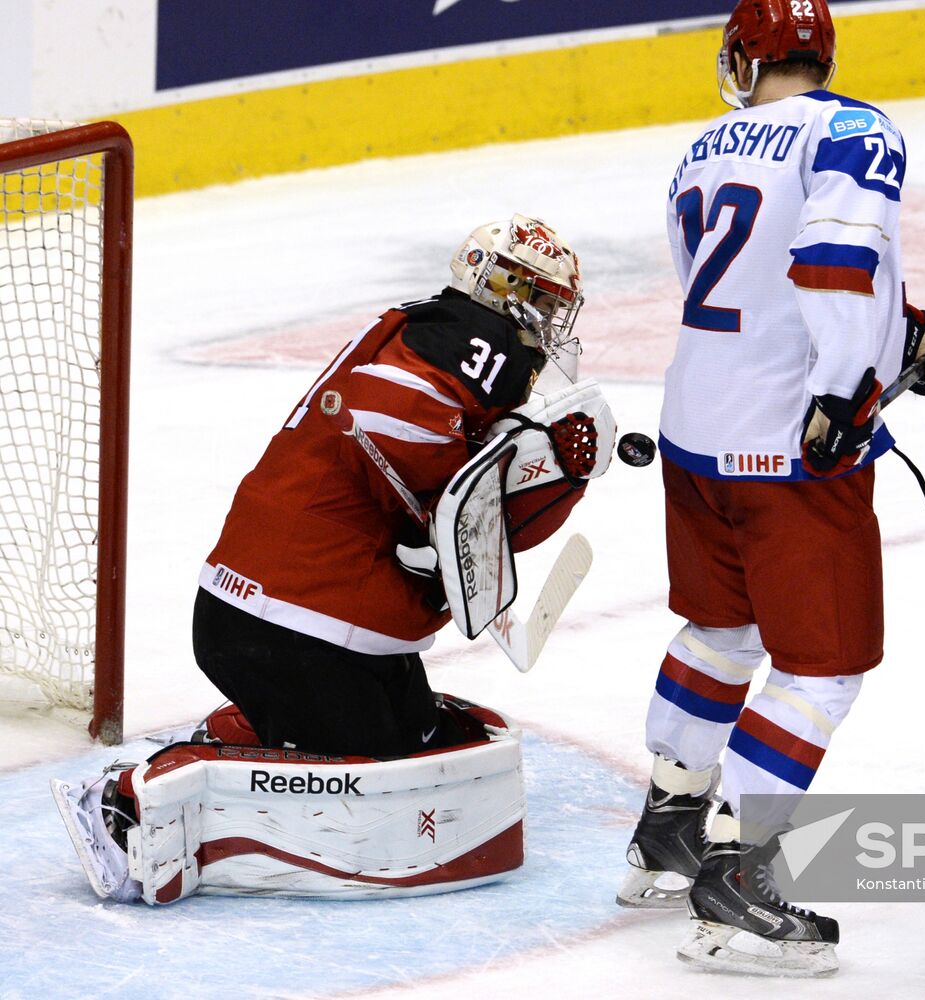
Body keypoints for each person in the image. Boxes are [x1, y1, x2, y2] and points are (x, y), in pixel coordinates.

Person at [53, 215, 616, 905]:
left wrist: (520, 475)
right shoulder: (466, 339)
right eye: (544, 300)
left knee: (416, 737)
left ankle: (245, 733)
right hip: (291, 620)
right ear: (498, 286)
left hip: (289, 613)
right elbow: (430, 476)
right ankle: (129, 799)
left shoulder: (433, 330)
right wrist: (545, 472)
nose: (552, 320)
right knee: (372, 759)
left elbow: (453, 511)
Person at [616, 0, 925, 977]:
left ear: (744, 55)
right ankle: (739, 875)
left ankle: (670, 825)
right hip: (789, 448)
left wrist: (904, 337)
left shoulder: (702, 149)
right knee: (821, 669)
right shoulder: (853, 127)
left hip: (695, 427)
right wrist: (845, 387)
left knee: (718, 633)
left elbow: (757, 284)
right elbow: (830, 262)